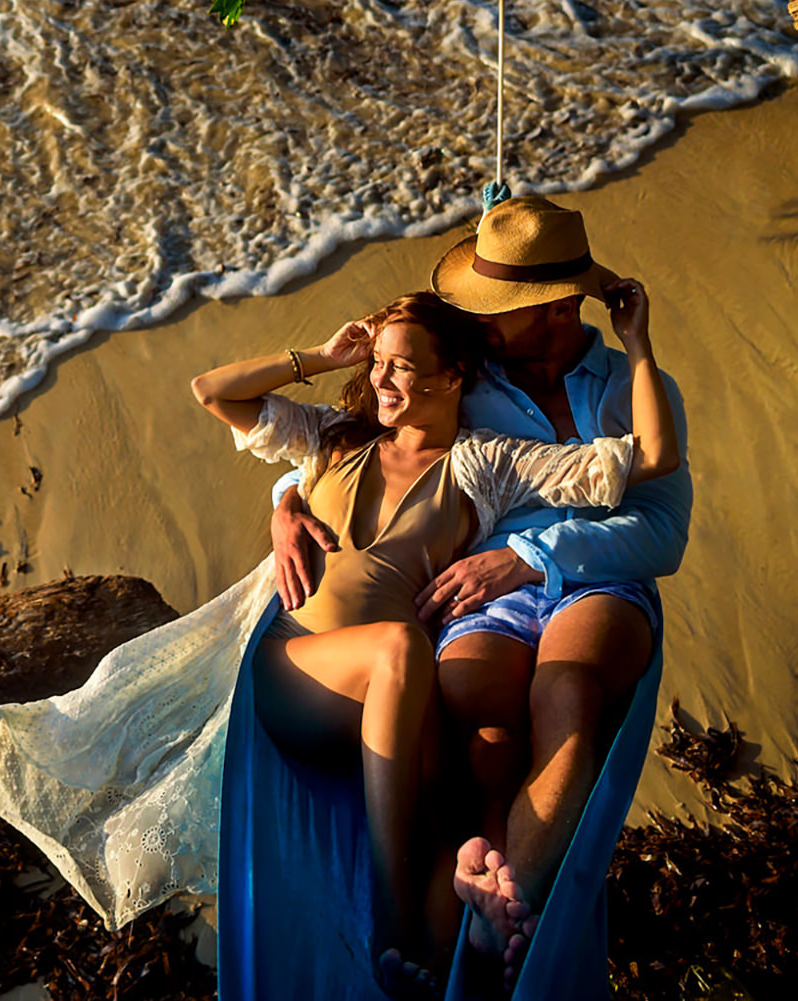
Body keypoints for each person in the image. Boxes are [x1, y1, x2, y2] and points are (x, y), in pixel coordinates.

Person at [194, 282, 680, 997]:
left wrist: (638, 344)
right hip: (301, 673)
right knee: (398, 645)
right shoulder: (336, 437)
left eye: (401, 365)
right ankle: (391, 915)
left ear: (452, 377)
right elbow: (213, 391)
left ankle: (455, 942)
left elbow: (649, 457)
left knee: (465, 803)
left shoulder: (482, 465)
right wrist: (322, 356)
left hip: (397, 698)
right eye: (378, 363)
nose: (381, 379)